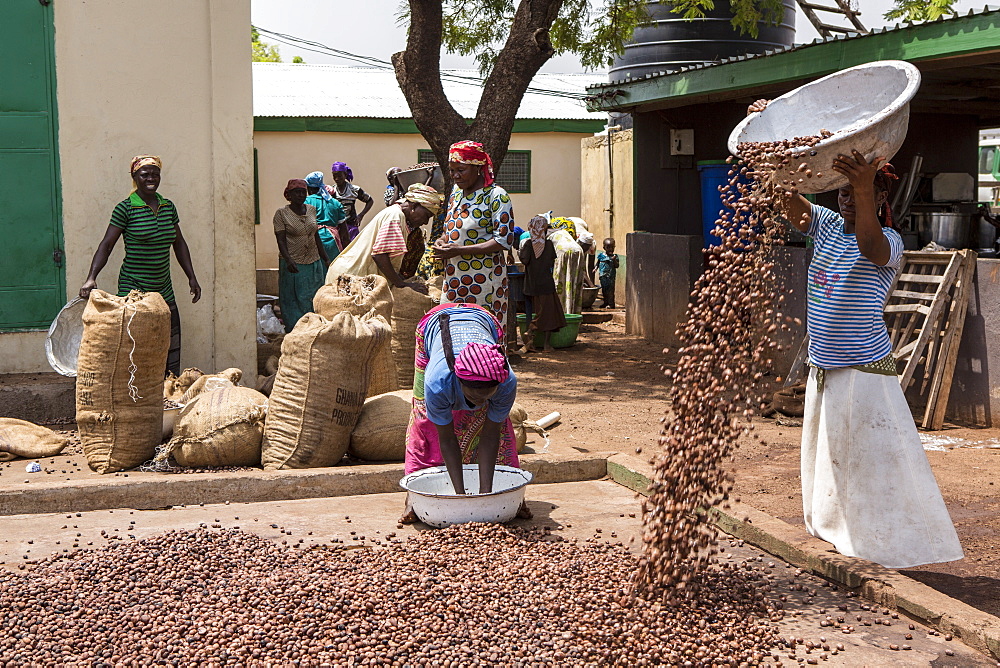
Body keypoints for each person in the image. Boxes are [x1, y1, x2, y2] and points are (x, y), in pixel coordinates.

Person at [748, 99, 963, 569]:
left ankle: (886, 539)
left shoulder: (890, 244)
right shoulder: (824, 228)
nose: (847, 198)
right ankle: (837, 528)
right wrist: (768, 136)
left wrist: (865, 188)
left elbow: (869, 243)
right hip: (825, 366)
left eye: (857, 192)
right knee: (830, 456)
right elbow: (785, 198)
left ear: (879, 199)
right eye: (843, 192)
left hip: (864, 371)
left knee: (872, 459)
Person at [402, 303, 530, 522]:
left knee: (496, 428)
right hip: (433, 325)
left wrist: (485, 499)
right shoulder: (438, 383)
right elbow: (447, 439)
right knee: (425, 424)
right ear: (459, 382)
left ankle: (512, 499)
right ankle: (413, 499)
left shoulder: (506, 381)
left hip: (485, 322)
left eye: (487, 396)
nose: (480, 402)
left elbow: (491, 436)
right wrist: (461, 499)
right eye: (474, 396)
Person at [80, 155, 200, 377]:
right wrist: (91, 277)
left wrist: (191, 276)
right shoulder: (125, 209)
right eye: (145, 174)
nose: (151, 178)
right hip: (133, 289)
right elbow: (106, 245)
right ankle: (134, 394)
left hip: (163, 289)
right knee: (135, 346)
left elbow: (179, 243)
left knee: (168, 344)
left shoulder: (168, 206)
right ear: (135, 177)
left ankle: (166, 392)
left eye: (155, 174)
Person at [433, 140, 514, 324]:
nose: (455, 176)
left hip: (484, 280)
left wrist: (460, 251)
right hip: (454, 279)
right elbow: (452, 228)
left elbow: (503, 241)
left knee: (482, 332)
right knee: (453, 329)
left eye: (461, 170)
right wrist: (442, 240)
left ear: (478, 167)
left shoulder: (496, 196)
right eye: (452, 170)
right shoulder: (456, 193)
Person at [327, 183, 442, 289]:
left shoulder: (397, 215)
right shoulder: (395, 216)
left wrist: (399, 278)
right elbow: (380, 255)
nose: (426, 222)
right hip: (350, 277)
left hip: (352, 274)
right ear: (414, 206)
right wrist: (401, 284)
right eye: (427, 215)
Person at [273, 179, 331, 333]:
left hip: (312, 261)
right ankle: (296, 330)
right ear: (289, 195)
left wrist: (325, 258)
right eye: (296, 192)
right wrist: (288, 259)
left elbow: (316, 236)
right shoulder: (281, 214)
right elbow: (280, 240)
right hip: (293, 264)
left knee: (312, 296)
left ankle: (312, 328)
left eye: (303, 192)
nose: (300, 195)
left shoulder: (311, 210)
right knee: (292, 299)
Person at [518, 214, 565, 353]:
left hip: (532, 285)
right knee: (548, 313)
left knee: (545, 312)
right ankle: (538, 338)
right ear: (544, 230)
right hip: (546, 285)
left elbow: (524, 260)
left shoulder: (527, 244)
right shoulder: (549, 245)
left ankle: (533, 338)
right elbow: (551, 262)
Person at [305, 171, 349, 252]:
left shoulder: (306, 202)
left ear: (309, 188)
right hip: (332, 242)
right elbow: (344, 231)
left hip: (313, 241)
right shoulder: (335, 203)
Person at [328, 161, 373, 240]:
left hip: (351, 226)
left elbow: (370, 201)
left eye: (339, 176)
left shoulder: (354, 190)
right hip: (337, 227)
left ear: (345, 175)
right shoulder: (332, 191)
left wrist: (361, 215)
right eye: (334, 176)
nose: (336, 179)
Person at [596, 237, 620, 309]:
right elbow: (597, 263)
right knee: (604, 290)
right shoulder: (601, 256)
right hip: (602, 276)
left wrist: (614, 260)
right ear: (604, 247)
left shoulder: (615, 256)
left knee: (610, 291)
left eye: (612, 247)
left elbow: (617, 266)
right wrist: (595, 268)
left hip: (610, 277)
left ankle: (611, 304)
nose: (610, 249)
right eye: (608, 247)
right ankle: (605, 302)